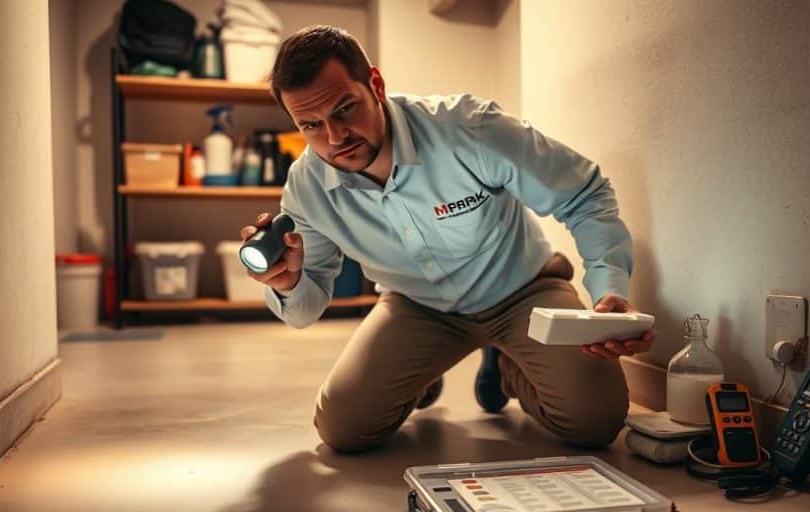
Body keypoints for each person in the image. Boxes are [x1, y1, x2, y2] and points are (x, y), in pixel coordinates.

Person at [239, 25, 656, 453]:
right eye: (310, 124)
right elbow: (305, 312)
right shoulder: (306, 188)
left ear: (376, 85)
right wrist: (288, 283)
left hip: (522, 291)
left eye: (345, 108)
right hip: (417, 307)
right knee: (344, 430)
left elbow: (583, 194)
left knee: (596, 422)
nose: (335, 137)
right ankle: (422, 375)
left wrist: (609, 292)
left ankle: (510, 366)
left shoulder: (469, 128)